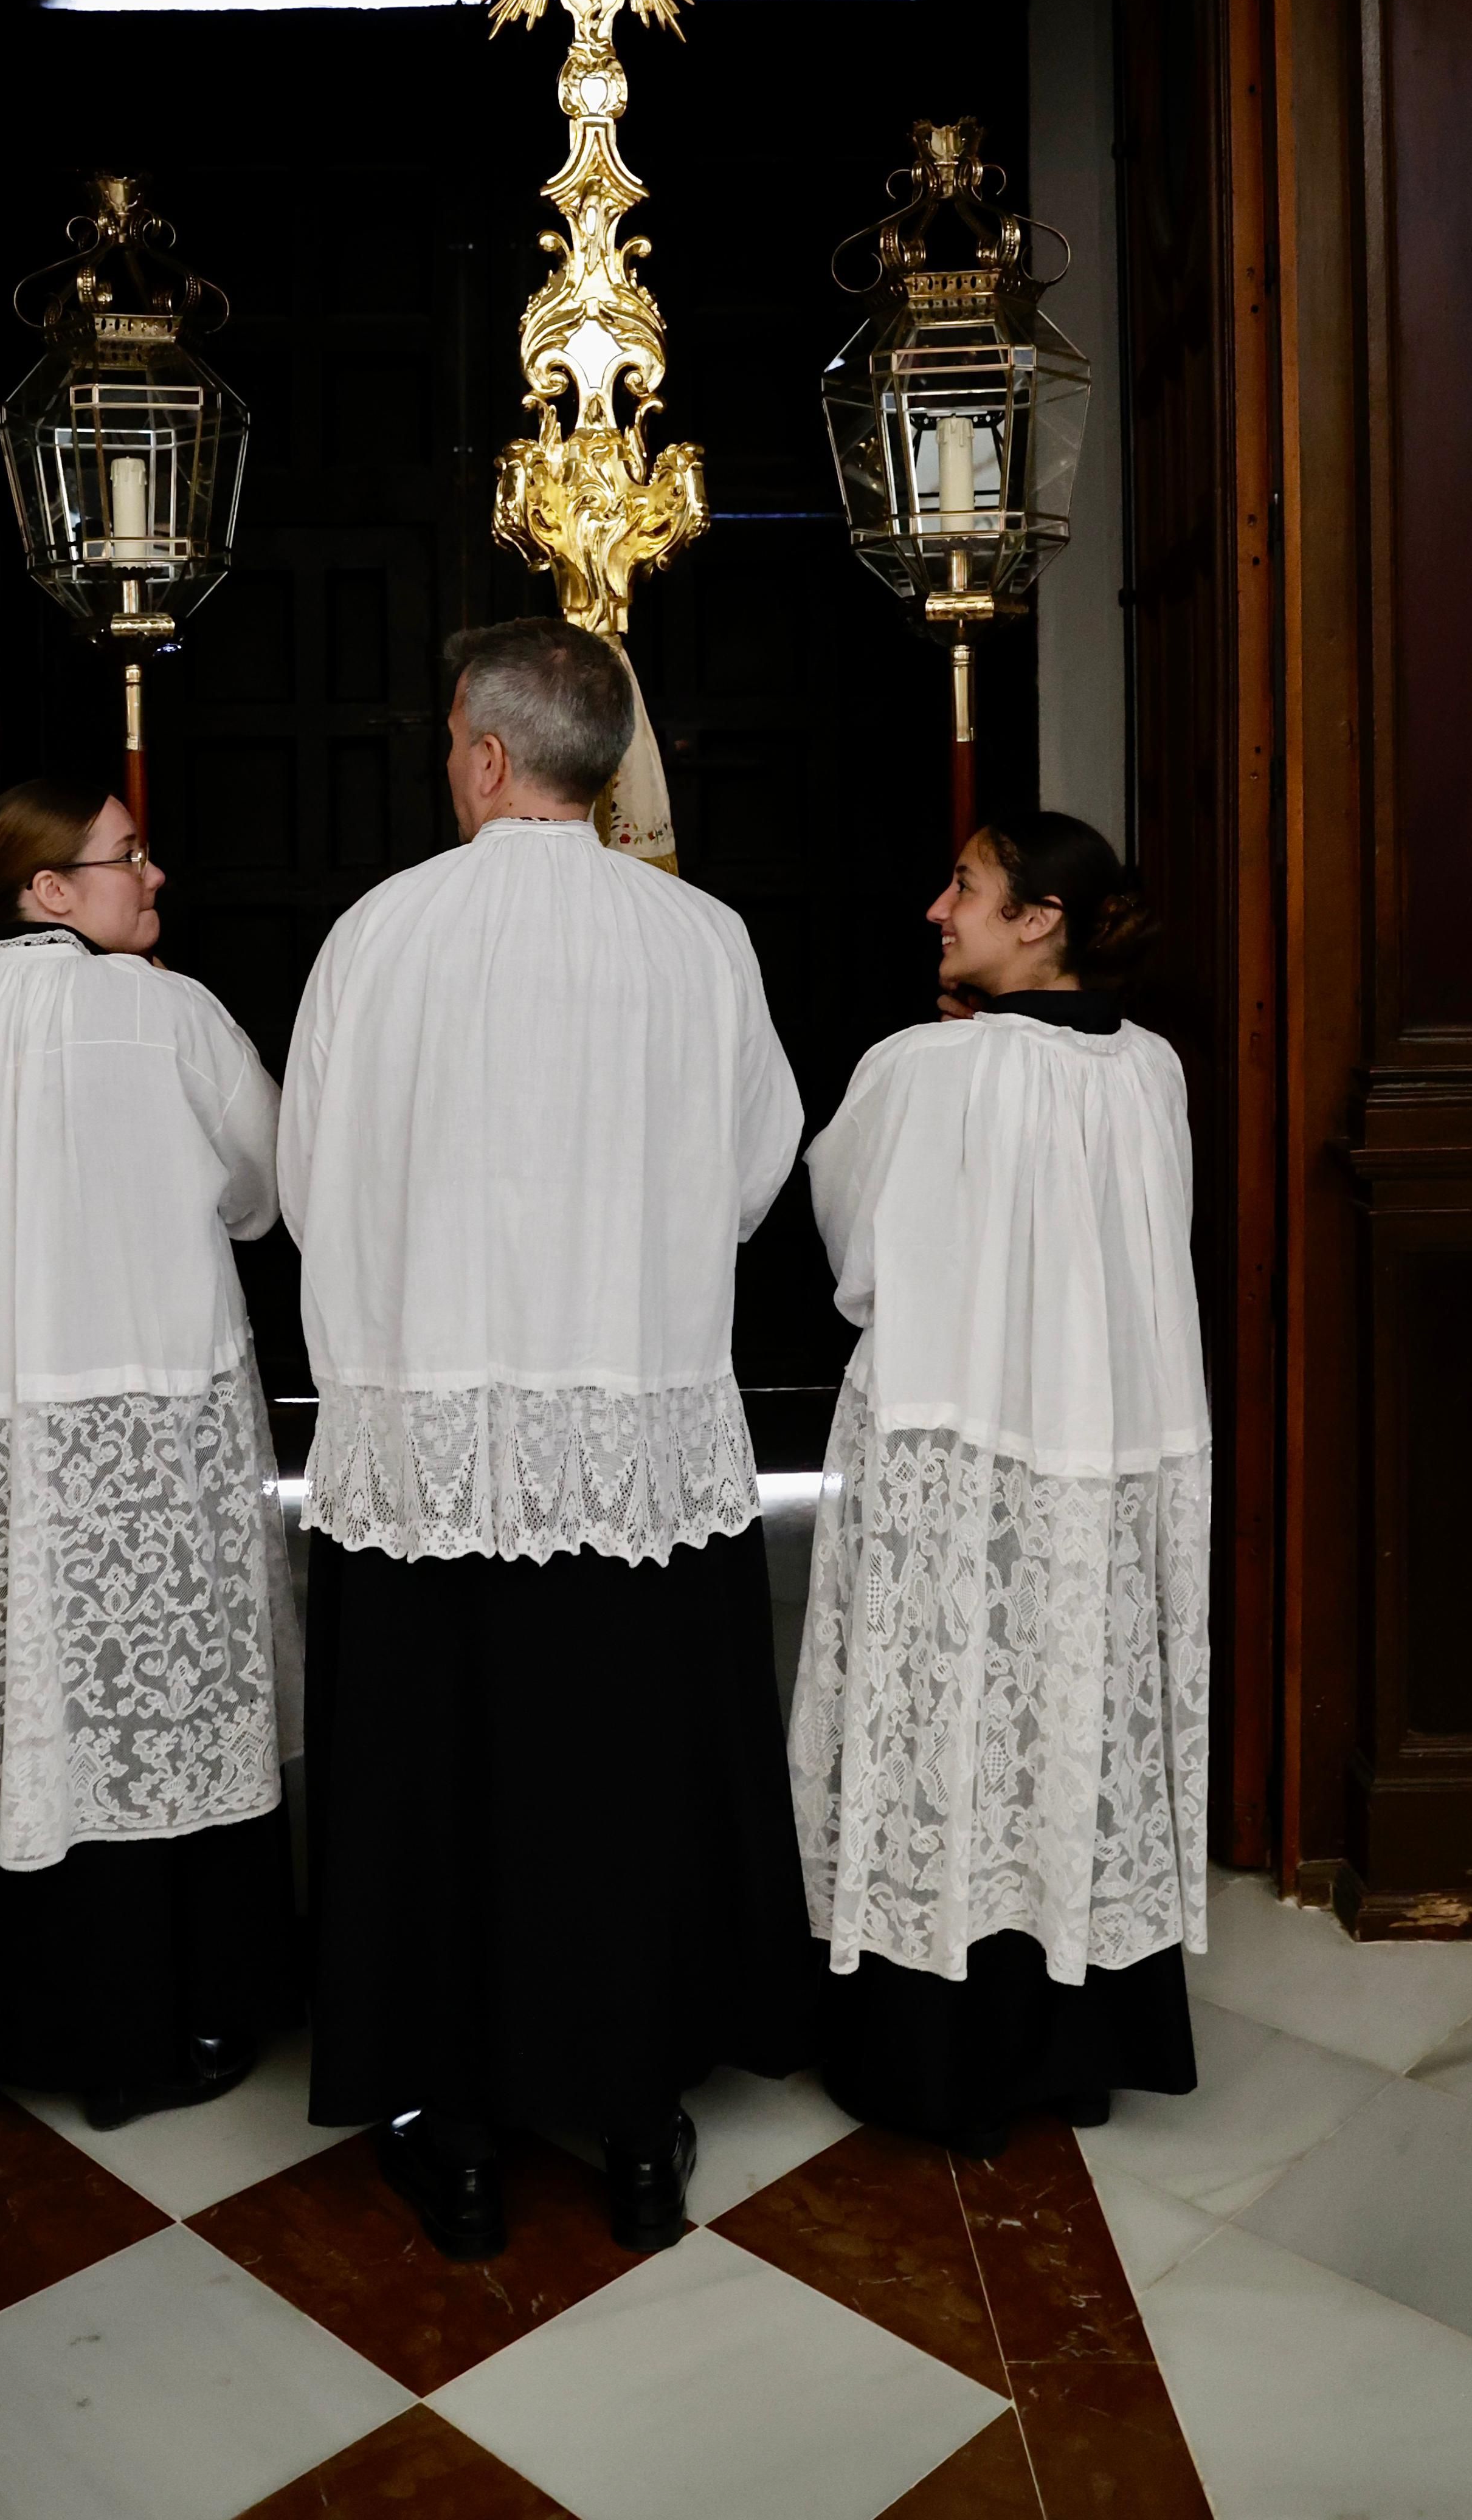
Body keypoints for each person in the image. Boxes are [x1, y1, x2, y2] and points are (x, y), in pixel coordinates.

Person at [280, 616, 815, 2262]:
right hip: (629, 1440)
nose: (448, 762)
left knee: (431, 1789)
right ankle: (637, 2123)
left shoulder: (376, 933)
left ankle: (448, 2138)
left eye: (451, 740)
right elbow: (752, 1171)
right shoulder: (699, 938)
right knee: (624, 1783)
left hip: (425, 1440)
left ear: (488, 753)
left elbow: (308, 1181)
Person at [0, 779, 301, 2131]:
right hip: (136, 1416)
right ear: (47, 889)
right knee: (133, 1697)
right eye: (127, 858)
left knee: (0, 1680)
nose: (153, 878)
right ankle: (149, 2024)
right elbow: (266, 1185)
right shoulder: (169, 1012)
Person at [787, 811, 1208, 2157]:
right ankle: (1076, 2039)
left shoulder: (921, 1069)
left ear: (1041, 922)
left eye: (964, 886)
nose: (936, 909)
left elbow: (854, 1255)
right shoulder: (1153, 1072)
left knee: (941, 1710)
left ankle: (930, 2043)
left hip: (944, 1441)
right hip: (1098, 1447)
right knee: (1068, 1711)